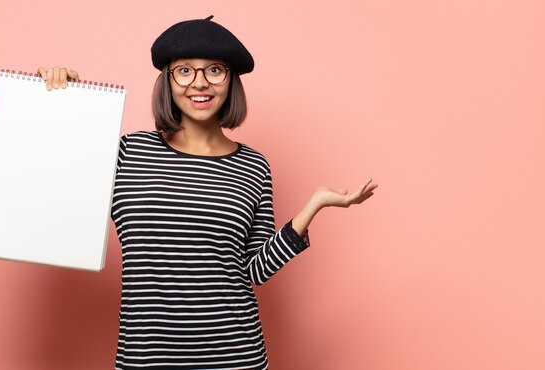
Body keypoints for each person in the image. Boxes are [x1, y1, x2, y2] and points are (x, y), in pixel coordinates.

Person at [37, 15, 377, 370]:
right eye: (185, 71)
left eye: (214, 70)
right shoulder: (128, 153)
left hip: (235, 357)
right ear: (167, 80)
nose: (200, 83)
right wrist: (64, 101)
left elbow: (253, 270)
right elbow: (55, 187)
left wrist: (314, 205)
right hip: (146, 358)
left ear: (230, 81)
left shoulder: (253, 166)